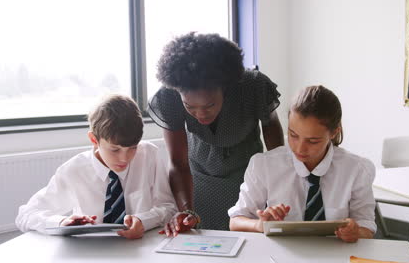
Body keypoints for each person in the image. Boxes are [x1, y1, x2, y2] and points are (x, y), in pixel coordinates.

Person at [148, 32, 284, 234]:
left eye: (209, 105)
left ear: (226, 87)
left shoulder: (253, 86)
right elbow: (178, 164)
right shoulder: (169, 96)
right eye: (190, 107)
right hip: (199, 180)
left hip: (248, 178)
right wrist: (186, 210)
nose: (200, 114)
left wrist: (278, 192)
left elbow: (277, 155)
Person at [15, 94, 177, 239]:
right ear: (94, 140)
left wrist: (144, 221)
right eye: (115, 149)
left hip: (142, 249)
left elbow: (169, 207)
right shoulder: (73, 170)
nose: (125, 158)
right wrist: (62, 222)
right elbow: (25, 215)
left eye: (133, 147)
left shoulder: (149, 154)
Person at [228, 85, 376, 242]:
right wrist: (260, 225)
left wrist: (356, 232)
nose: (299, 148)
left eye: (313, 141)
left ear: (334, 132)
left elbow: (367, 226)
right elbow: (236, 221)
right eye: (293, 135)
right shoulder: (263, 165)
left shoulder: (357, 169)